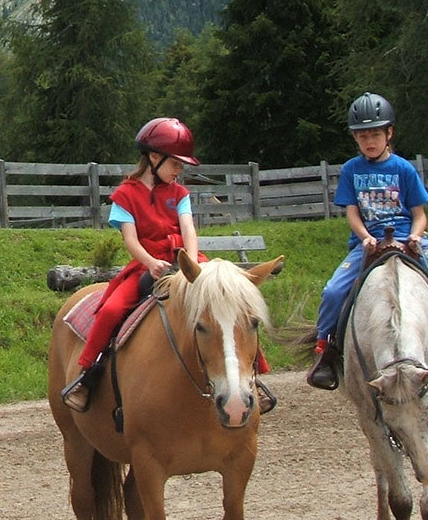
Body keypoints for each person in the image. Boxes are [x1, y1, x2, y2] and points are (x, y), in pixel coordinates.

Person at [59, 117, 275, 414]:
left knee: (231, 304)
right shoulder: (124, 196)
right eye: (176, 164)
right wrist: (151, 263)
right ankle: (87, 374)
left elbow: (189, 230)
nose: (179, 171)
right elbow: (131, 240)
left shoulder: (180, 194)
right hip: (148, 265)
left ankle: (256, 376)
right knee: (110, 310)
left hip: (187, 262)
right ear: (154, 157)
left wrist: (194, 265)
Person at [307, 93, 428, 389]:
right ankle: (325, 353)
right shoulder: (352, 170)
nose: (369, 142)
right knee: (332, 291)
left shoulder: (403, 169)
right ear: (355, 139)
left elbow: (420, 214)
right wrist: (365, 238)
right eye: (362, 136)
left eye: (375, 134)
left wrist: (416, 236)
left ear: (389, 133)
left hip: (407, 239)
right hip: (368, 244)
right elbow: (352, 214)